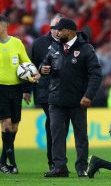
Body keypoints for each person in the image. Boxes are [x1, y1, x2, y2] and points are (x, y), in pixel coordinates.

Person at [40, 18, 102, 178]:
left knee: (81, 136)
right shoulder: (54, 47)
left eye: (59, 30)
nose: (56, 33)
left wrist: (88, 95)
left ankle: (81, 167)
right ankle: (59, 167)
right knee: (57, 136)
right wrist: (43, 69)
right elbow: (44, 64)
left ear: (69, 31)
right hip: (56, 100)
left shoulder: (86, 49)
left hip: (78, 101)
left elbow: (96, 75)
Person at [29, 14, 71, 171]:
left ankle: (57, 162)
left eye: (61, 28)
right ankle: (55, 162)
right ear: (50, 28)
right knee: (55, 126)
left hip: (65, 92)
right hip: (45, 92)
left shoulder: (70, 45)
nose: (58, 31)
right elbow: (29, 67)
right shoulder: (39, 44)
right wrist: (27, 90)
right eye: (55, 28)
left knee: (61, 126)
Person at [0, 15, 39, 174]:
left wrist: (30, 83)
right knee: (7, 124)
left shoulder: (16, 43)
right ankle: (13, 164)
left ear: (6, 25)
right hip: (0, 89)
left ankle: (3, 162)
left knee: (15, 126)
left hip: (15, 89)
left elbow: (27, 65)